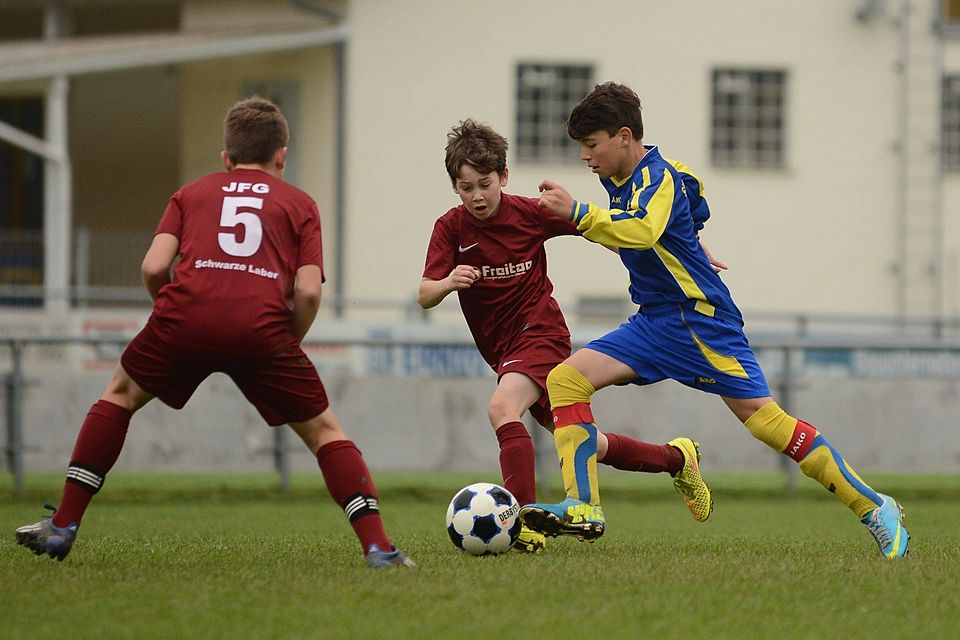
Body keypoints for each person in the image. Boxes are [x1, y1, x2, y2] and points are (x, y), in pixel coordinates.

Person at [15, 97, 413, 569]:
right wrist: (288, 339)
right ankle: (377, 547)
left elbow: (154, 265)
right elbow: (308, 292)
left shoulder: (191, 193)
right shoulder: (300, 204)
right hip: (262, 328)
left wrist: (174, 309)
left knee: (119, 395)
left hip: (184, 316)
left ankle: (63, 524)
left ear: (226, 158)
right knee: (324, 431)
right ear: (282, 154)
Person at [519, 82, 910, 559]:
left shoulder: (656, 177)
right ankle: (584, 507)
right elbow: (695, 198)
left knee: (765, 421)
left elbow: (642, 231)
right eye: (581, 147)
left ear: (624, 136)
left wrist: (580, 214)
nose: (585, 157)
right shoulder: (628, 178)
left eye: (591, 145)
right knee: (565, 381)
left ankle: (875, 506)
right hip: (655, 320)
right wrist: (690, 236)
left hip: (700, 319)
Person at [418, 119, 714, 553]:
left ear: (503, 177)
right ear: (455, 187)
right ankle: (677, 458)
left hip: (541, 333)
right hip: (501, 350)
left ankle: (521, 524)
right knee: (583, 442)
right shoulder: (450, 228)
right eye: (466, 188)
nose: (477, 196)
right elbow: (425, 294)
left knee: (502, 408)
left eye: (485, 183)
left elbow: (608, 231)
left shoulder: (530, 213)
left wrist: (682, 246)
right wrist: (447, 282)